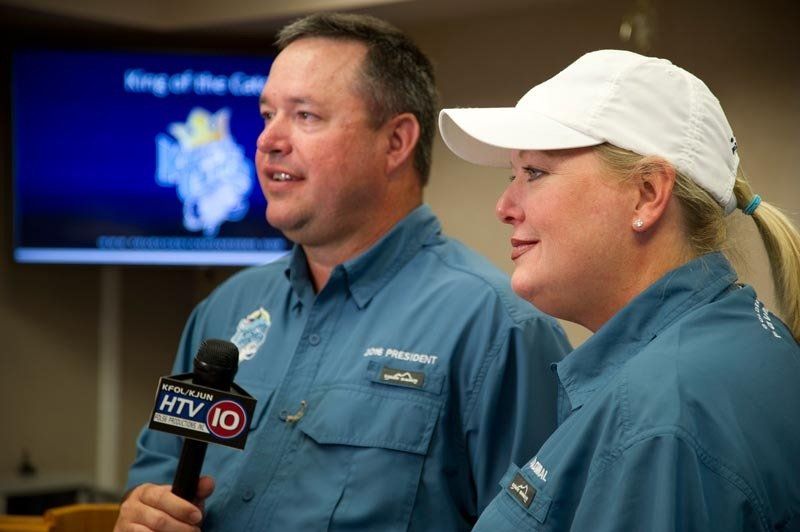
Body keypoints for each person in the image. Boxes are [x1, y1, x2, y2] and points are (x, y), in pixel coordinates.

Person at [115, 13, 571, 532]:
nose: (268, 141)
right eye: (267, 115)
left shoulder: (500, 329)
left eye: (305, 116)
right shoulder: (223, 311)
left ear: (396, 142)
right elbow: (155, 476)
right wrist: (140, 512)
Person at [439, 49, 800, 531]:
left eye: (535, 173)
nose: (504, 206)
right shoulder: (727, 344)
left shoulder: (660, 416)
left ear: (648, 194)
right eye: (513, 175)